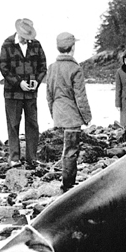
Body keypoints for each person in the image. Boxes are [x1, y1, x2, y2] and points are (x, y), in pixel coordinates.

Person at [46, 32, 92, 192]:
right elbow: (80, 97)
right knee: (72, 150)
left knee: (66, 150)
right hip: (72, 114)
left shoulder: (51, 67)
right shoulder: (75, 68)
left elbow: (49, 95)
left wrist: (53, 114)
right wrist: (87, 117)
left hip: (58, 114)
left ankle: (67, 181)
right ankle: (68, 185)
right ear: (72, 47)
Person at [0, 18, 47, 169]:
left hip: (31, 94)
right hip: (12, 94)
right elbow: (3, 68)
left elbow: (43, 67)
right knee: (13, 124)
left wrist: (36, 82)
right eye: (24, 37)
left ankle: (32, 158)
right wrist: (19, 83)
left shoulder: (36, 45)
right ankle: (14, 158)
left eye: (28, 37)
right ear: (19, 32)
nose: (27, 40)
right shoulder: (7, 44)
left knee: (32, 124)